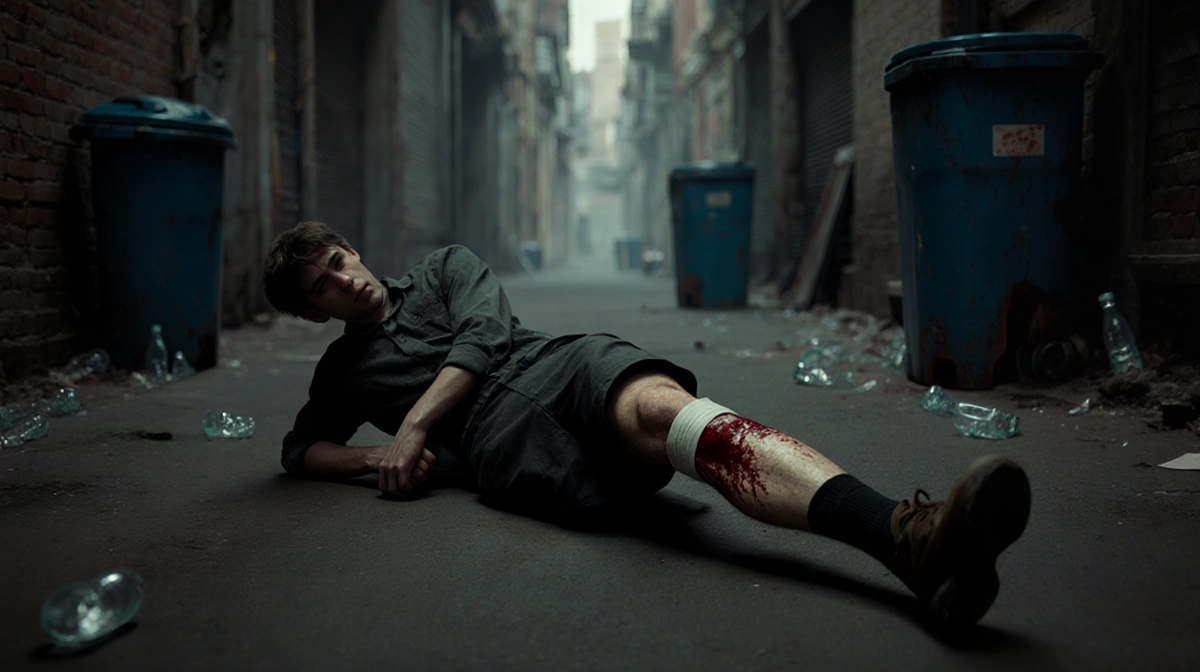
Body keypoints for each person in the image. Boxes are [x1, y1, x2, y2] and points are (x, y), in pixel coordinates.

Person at [261, 221, 1031, 627]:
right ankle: (922, 554)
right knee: (640, 501)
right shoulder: (343, 375)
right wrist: (374, 463)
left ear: (354, 249)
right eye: (321, 286)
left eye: (338, 258)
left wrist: (413, 428)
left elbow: (486, 338)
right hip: (511, 447)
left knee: (677, 415)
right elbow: (300, 452)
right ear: (311, 312)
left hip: (562, 365)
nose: (342, 280)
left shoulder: (445, 268)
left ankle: (905, 536)